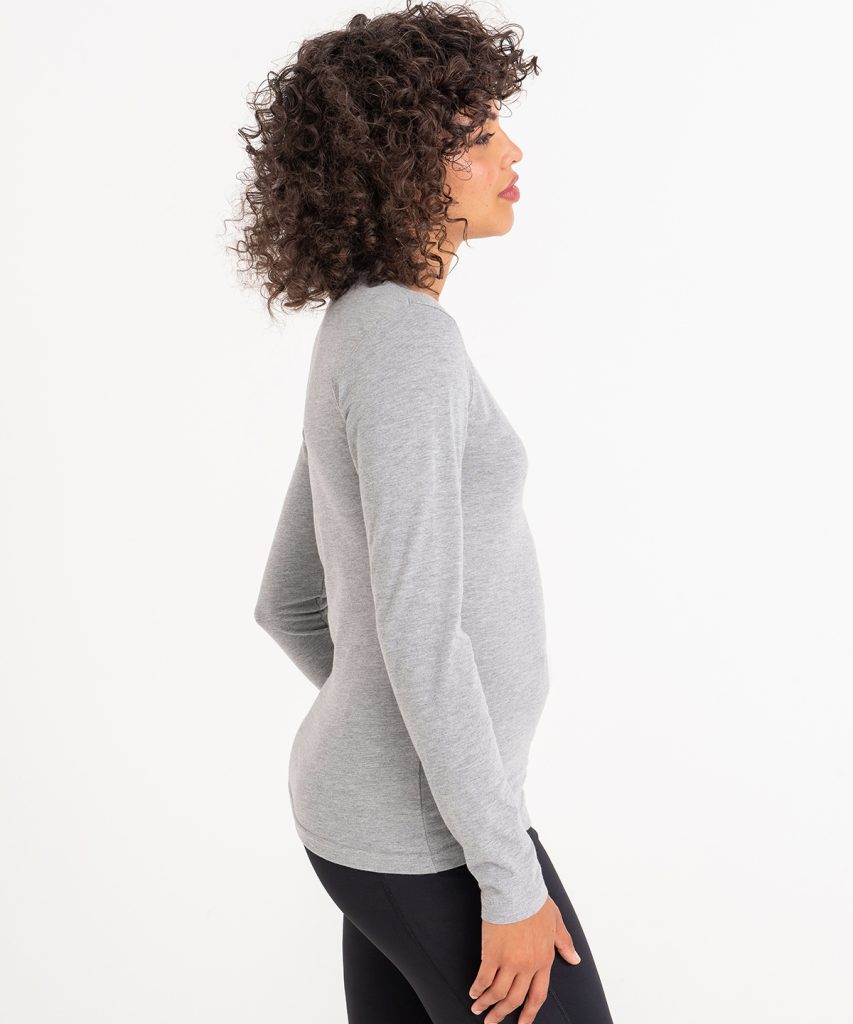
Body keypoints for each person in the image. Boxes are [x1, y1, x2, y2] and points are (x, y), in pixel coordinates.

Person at [235, 3, 615, 1021]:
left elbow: (287, 599)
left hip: (395, 819)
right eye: (478, 135)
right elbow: (412, 630)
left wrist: (393, 728)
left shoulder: (364, 328)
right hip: (428, 840)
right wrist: (506, 873)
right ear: (405, 166)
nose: (511, 152)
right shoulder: (405, 345)